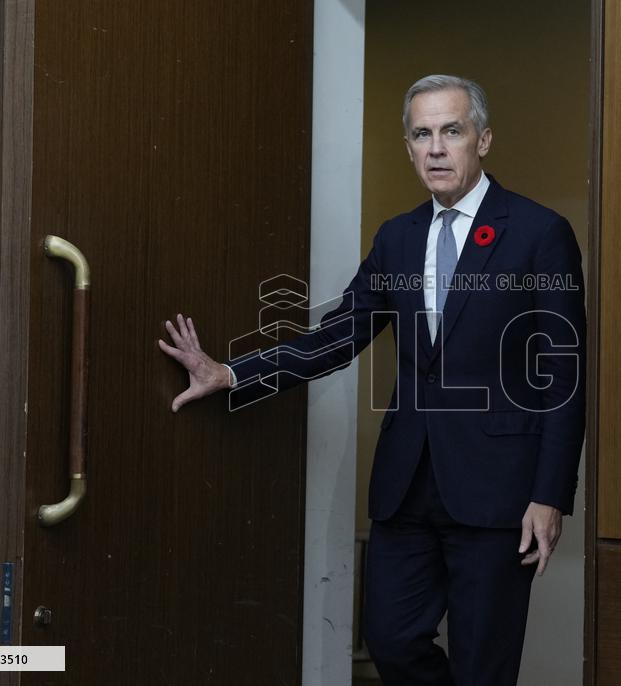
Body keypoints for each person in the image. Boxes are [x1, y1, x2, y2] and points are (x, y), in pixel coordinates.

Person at [158, 74, 586, 686]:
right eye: (421, 134)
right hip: (406, 487)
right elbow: (336, 337)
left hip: (499, 496)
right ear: (408, 147)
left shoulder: (540, 233)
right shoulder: (397, 238)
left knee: (483, 667)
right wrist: (232, 373)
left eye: (451, 131)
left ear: (483, 140)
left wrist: (550, 495)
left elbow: (564, 378)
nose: (436, 147)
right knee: (389, 639)